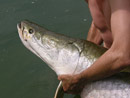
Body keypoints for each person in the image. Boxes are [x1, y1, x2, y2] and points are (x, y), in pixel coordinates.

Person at [58, 0, 130, 94]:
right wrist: (84, 56)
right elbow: (101, 20)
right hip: (112, 69)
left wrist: (80, 79)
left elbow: (122, 55)